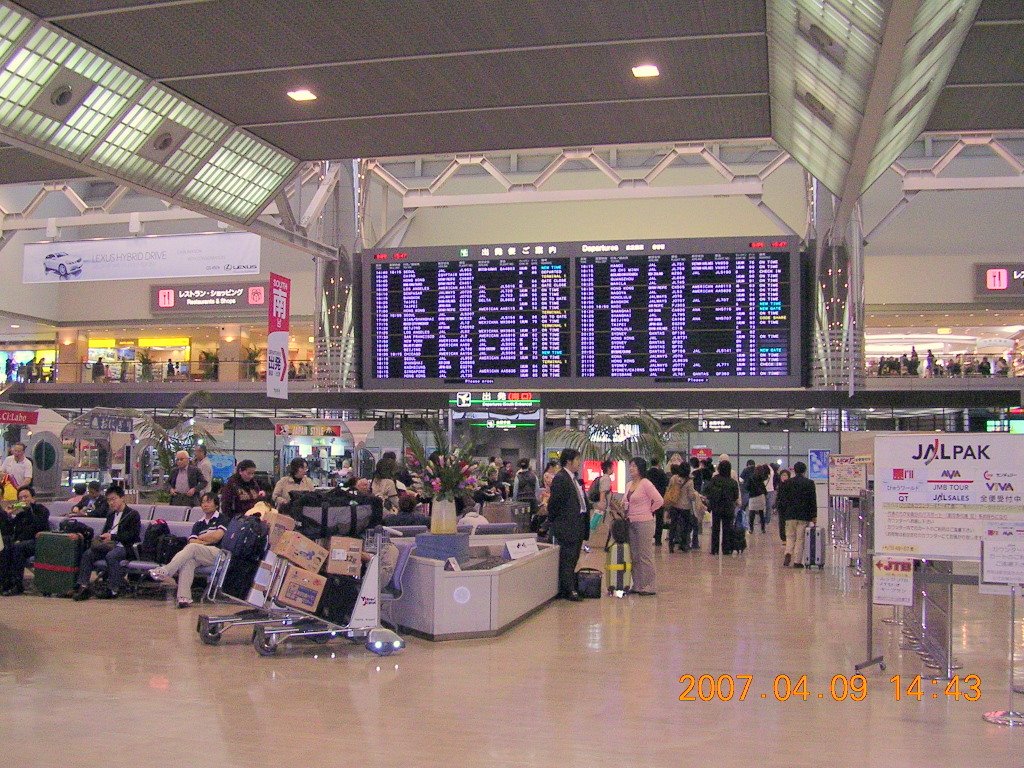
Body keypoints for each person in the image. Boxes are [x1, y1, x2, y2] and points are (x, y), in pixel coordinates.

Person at [148, 492, 226, 608]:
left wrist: (201, 538)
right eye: (203, 502)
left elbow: (217, 537)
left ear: (216, 505)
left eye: (208, 502)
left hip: (218, 553)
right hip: (200, 553)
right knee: (188, 561)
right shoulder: (198, 524)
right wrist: (206, 539)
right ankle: (184, 598)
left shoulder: (222, 519)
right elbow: (192, 541)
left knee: (192, 548)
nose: (205, 505)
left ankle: (166, 571)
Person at [72, 485, 142, 600]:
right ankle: (83, 586)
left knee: (111, 556)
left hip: (124, 546)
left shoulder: (133, 514)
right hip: (109, 545)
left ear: (122, 498)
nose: (111, 502)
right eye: (109, 500)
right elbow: (106, 531)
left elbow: (133, 535)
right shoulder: (110, 515)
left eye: (113, 499)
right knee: (88, 554)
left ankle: (113, 589)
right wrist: (104, 537)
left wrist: (113, 536)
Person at [547, 448, 589, 601]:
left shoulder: (573, 479)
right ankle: (568, 590)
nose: (579, 463)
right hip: (567, 526)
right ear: (569, 461)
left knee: (573, 557)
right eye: (577, 460)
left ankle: (569, 587)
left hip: (577, 525)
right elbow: (554, 504)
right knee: (567, 558)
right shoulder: (561, 478)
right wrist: (556, 521)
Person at [0, 486, 50, 595]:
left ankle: (17, 585)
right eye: (21, 498)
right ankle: (6, 582)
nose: (23, 500)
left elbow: (38, 525)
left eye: (26, 497)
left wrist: (29, 509)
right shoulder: (20, 515)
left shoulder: (41, 510)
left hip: (39, 543)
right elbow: (7, 529)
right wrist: (6, 515)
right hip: (21, 544)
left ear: (33, 498)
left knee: (17, 547)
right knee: (6, 545)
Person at [624, 457, 662, 595]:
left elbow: (659, 500)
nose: (631, 468)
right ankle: (638, 584)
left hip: (644, 522)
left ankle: (649, 585)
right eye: (630, 466)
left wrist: (649, 510)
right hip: (631, 522)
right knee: (634, 554)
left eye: (634, 466)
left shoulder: (646, 483)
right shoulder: (629, 485)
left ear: (640, 468)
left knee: (645, 554)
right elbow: (626, 501)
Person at [778, 461, 818, 568]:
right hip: (803, 515)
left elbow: (782, 500)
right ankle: (797, 561)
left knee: (790, 537)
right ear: (805, 471)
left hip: (789, 515)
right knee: (800, 538)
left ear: (794, 471)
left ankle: (788, 553)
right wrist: (814, 516)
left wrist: (783, 514)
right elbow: (812, 501)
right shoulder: (809, 483)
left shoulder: (787, 483)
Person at [704, 459, 739, 556]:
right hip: (728, 508)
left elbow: (708, 491)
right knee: (727, 529)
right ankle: (726, 549)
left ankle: (714, 549)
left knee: (715, 529)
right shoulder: (732, 482)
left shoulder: (714, 479)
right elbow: (735, 496)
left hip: (716, 507)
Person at [665, 463, 699, 553]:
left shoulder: (674, 478)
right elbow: (691, 496)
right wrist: (696, 496)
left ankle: (671, 545)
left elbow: (669, 489)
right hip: (685, 507)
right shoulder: (690, 481)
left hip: (674, 505)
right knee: (685, 526)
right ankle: (683, 544)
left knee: (673, 525)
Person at [646, 457, 669, 547]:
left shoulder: (647, 473)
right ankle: (658, 540)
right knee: (659, 520)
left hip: (649, 500)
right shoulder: (662, 473)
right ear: (658, 463)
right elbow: (665, 485)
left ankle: (647, 538)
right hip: (659, 499)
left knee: (648, 519)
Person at [747, 464, 769, 533]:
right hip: (761, 496)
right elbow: (764, 487)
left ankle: (751, 529)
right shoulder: (763, 477)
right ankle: (763, 529)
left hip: (752, 497)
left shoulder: (751, 477)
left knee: (751, 513)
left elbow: (747, 487)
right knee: (761, 513)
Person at [775, 468, 791, 541]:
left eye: (785, 475)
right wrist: (775, 506)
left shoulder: (791, 485)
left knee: (788, 522)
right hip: (781, 506)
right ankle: (783, 537)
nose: (783, 477)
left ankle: (788, 536)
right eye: (782, 475)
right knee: (781, 522)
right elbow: (778, 496)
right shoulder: (779, 485)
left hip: (789, 506)